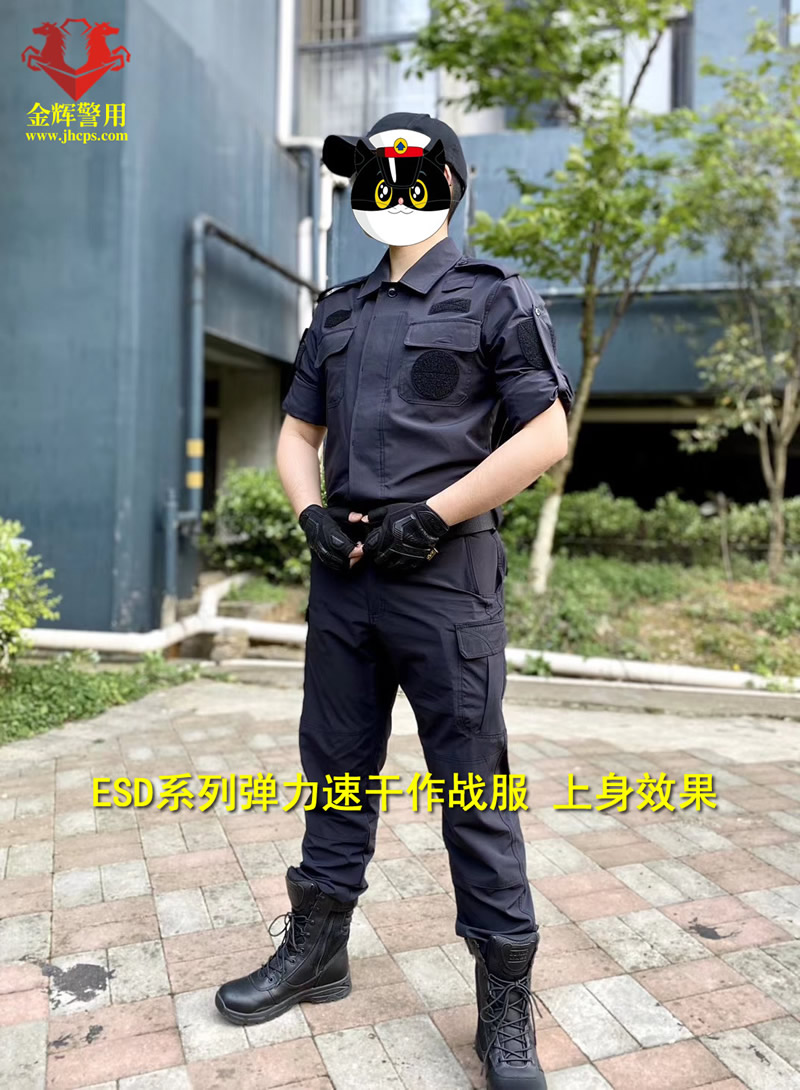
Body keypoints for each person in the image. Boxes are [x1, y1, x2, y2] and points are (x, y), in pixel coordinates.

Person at [215, 113, 574, 1090]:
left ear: (448, 183)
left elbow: (544, 434)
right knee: (335, 767)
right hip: (347, 579)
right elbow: (299, 434)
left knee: (473, 787)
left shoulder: (492, 296)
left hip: (446, 578)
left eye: (406, 174)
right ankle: (317, 950)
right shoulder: (336, 310)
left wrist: (434, 513)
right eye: (371, 176)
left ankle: (505, 1004)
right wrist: (309, 512)